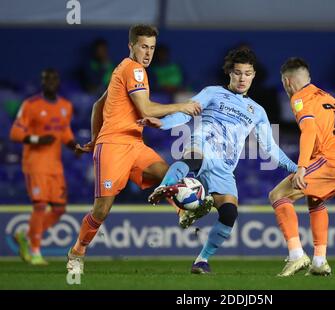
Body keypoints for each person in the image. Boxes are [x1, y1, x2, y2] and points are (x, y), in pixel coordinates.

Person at [146, 47, 297, 274]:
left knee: (229, 214)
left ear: (254, 75)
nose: (242, 78)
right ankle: (165, 187)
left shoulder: (257, 111)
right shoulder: (212, 92)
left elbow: (270, 148)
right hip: (203, 146)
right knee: (193, 159)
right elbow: (187, 111)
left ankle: (201, 261)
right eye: (237, 72)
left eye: (247, 73)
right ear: (230, 73)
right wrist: (164, 123)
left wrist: (296, 168)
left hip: (224, 168)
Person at [66, 24, 201, 274]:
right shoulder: (134, 69)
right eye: (143, 47)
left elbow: (98, 106)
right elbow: (146, 110)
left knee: (169, 174)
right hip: (114, 147)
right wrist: (182, 105)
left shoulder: (123, 69)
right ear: (131, 46)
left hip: (134, 144)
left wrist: (94, 138)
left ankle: (182, 212)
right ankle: (77, 251)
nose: (148, 53)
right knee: (102, 210)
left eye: (152, 47)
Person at [269, 58, 335, 276]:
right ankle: (319, 261)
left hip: (334, 158)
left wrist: (302, 167)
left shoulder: (299, 99)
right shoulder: (327, 96)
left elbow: (310, 131)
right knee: (315, 199)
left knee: (277, 195)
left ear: (287, 81)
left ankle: (296, 255)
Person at [9, 68, 85, 265]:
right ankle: (35, 251)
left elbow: (65, 132)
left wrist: (73, 146)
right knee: (40, 205)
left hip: (55, 165)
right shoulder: (30, 105)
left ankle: (26, 235)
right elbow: (15, 133)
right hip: (35, 163)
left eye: (53, 78)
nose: (50, 82)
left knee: (59, 209)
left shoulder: (65, 106)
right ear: (42, 82)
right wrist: (37, 139)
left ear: (58, 82)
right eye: (46, 79)